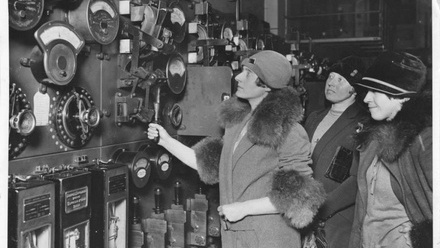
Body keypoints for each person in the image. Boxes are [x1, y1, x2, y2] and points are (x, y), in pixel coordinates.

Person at [148, 50, 326, 248]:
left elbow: (301, 197)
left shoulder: (288, 130)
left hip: (269, 238)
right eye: (241, 71)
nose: (239, 77)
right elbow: (208, 165)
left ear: (266, 85)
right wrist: (165, 141)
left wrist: (244, 208)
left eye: (248, 74)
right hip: (236, 237)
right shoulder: (237, 124)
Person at [348, 51, 432, 248]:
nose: (367, 98)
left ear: (402, 97)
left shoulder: (425, 140)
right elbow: (364, 212)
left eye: (375, 91)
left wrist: (424, 236)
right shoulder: (373, 138)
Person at [303, 56, 370, 248]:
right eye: (330, 77)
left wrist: (323, 208)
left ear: (354, 89)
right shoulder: (314, 118)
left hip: (336, 220)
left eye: (340, 79)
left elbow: (358, 179)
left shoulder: (363, 123)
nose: (331, 82)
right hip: (305, 213)